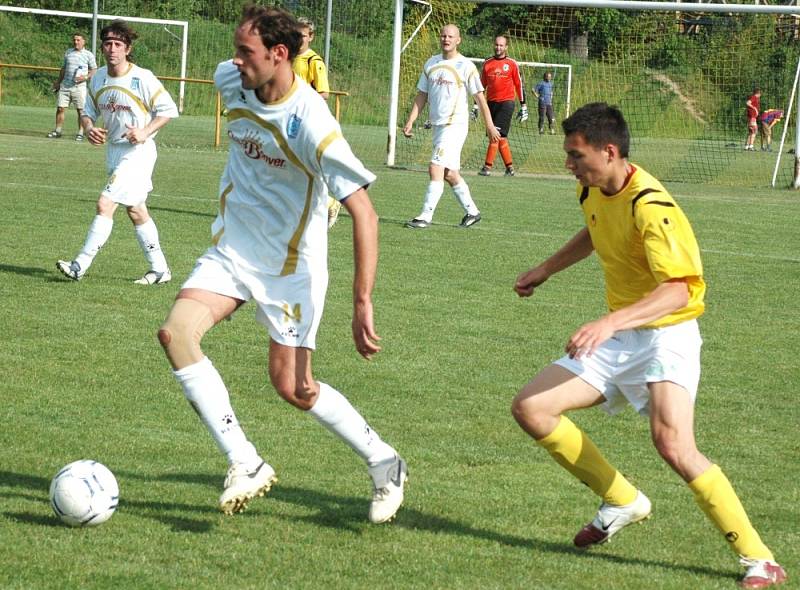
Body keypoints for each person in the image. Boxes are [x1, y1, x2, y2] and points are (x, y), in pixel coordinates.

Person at [511, 102, 786, 589]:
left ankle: (759, 558)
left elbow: (680, 288)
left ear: (609, 151)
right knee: (532, 408)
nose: (569, 165)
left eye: (576, 155)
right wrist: (546, 269)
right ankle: (622, 500)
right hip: (622, 332)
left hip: (667, 333)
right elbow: (595, 231)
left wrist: (606, 323)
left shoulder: (652, 206)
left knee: (673, 444)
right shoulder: (592, 188)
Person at [157, 5, 407, 524]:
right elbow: (232, 80)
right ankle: (244, 460)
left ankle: (385, 462)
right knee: (176, 335)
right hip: (231, 252)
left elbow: (365, 212)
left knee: (295, 388)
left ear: (279, 54)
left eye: (246, 51)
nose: (234, 60)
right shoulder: (232, 80)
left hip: (293, 266)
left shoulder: (311, 121)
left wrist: (362, 301)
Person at [56, 20, 177, 284]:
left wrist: (145, 131)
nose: (112, 49)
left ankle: (79, 264)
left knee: (105, 203)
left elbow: (168, 110)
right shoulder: (98, 77)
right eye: (108, 44)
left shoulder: (142, 77)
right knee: (136, 210)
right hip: (113, 151)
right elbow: (88, 111)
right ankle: (160, 269)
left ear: (127, 48)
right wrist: (88, 128)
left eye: (118, 44)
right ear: (102, 47)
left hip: (139, 153)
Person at [402, 24, 500, 229]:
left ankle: (425, 216)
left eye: (450, 36)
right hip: (438, 126)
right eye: (443, 35)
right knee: (449, 174)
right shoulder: (431, 63)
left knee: (435, 167)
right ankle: (472, 212)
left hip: (455, 125)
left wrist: (490, 125)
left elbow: (481, 99)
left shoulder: (466, 66)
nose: (446, 39)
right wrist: (411, 120)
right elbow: (422, 94)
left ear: (458, 40)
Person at [292, 17, 341, 229]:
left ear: (310, 37)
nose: (298, 39)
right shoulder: (289, 56)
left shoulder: (314, 61)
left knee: (302, 167)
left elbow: (324, 93)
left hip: (309, 120)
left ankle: (329, 203)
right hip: (291, 120)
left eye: (302, 35)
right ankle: (325, 204)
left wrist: (301, 102)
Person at [476, 35, 527, 177]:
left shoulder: (512, 64)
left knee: (495, 135)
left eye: (501, 45)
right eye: (496, 45)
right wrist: (476, 105)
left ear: (506, 47)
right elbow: (481, 86)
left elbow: (519, 84)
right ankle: (510, 168)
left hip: (507, 103)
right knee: (501, 137)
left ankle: (487, 167)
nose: (498, 47)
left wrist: (523, 105)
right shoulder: (487, 63)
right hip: (490, 104)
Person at [47, 33, 97, 141]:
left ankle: (80, 133)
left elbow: (94, 70)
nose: (76, 42)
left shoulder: (88, 55)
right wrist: (58, 82)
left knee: (81, 110)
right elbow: (64, 68)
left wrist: (85, 77)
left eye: (78, 40)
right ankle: (58, 130)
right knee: (60, 108)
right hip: (65, 85)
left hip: (79, 87)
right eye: (74, 40)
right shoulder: (68, 52)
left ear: (84, 41)